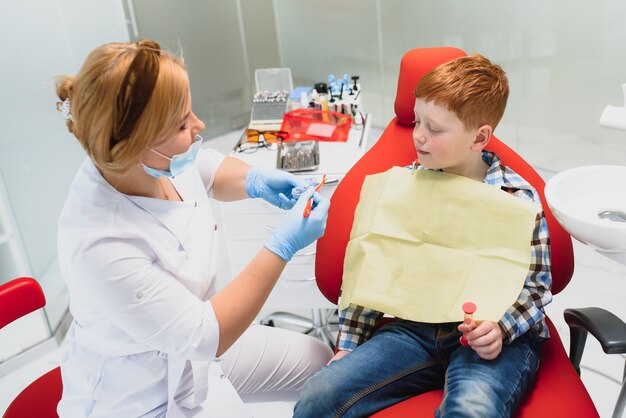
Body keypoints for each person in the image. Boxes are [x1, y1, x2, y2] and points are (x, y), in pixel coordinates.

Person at [54, 39, 333, 418]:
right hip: (142, 394)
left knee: (321, 365)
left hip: (197, 351)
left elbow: (208, 169)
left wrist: (257, 181)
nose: (199, 125)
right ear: (138, 146)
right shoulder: (98, 244)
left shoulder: (149, 161)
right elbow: (206, 336)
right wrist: (283, 245)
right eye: (183, 123)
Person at [293, 54, 552, 418]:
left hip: (489, 337)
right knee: (318, 397)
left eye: (434, 128)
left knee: (471, 411)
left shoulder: (517, 200)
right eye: (417, 122)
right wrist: (349, 346)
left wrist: (500, 329)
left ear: (479, 137)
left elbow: (537, 287)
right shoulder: (403, 188)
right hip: (415, 328)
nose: (418, 135)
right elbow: (371, 271)